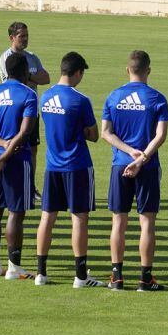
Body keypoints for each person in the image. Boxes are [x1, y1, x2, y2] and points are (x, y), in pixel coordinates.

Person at [102, 50, 168, 291]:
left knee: (118, 222)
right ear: (148, 70)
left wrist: (129, 151)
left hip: (120, 164)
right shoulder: (157, 98)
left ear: (127, 70)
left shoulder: (113, 96)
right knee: (146, 223)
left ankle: (117, 276)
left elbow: (106, 133)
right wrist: (141, 157)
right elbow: (160, 136)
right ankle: (145, 278)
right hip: (148, 166)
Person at [35, 52, 104, 288]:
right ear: (77, 73)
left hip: (52, 165)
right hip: (77, 165)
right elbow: (94, 135)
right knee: (79, 219)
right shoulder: (80, 100)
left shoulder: (45, 96)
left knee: (47, 218)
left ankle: (41, 273)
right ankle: (80, 275)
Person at [0, 53, 39, 279]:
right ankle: (14, 265)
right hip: (16, 158)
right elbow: (25, 132)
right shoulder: (28, 95)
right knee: (16, 212)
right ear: (25, 71)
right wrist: (7, 153)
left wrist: (0, 146)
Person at [0, 21, 51, 202]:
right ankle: (10, 184)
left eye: (27, 36)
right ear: (12, 37)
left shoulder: (32, 57)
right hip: (15, 111)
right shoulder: (6, 57)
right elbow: (13, 83)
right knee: (12, 146)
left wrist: (28, 76)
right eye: (22, 36)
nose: (25, 39)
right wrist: (31, 78)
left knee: (33, 149)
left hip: (32, 111)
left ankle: (30, 185)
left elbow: (46, 78)